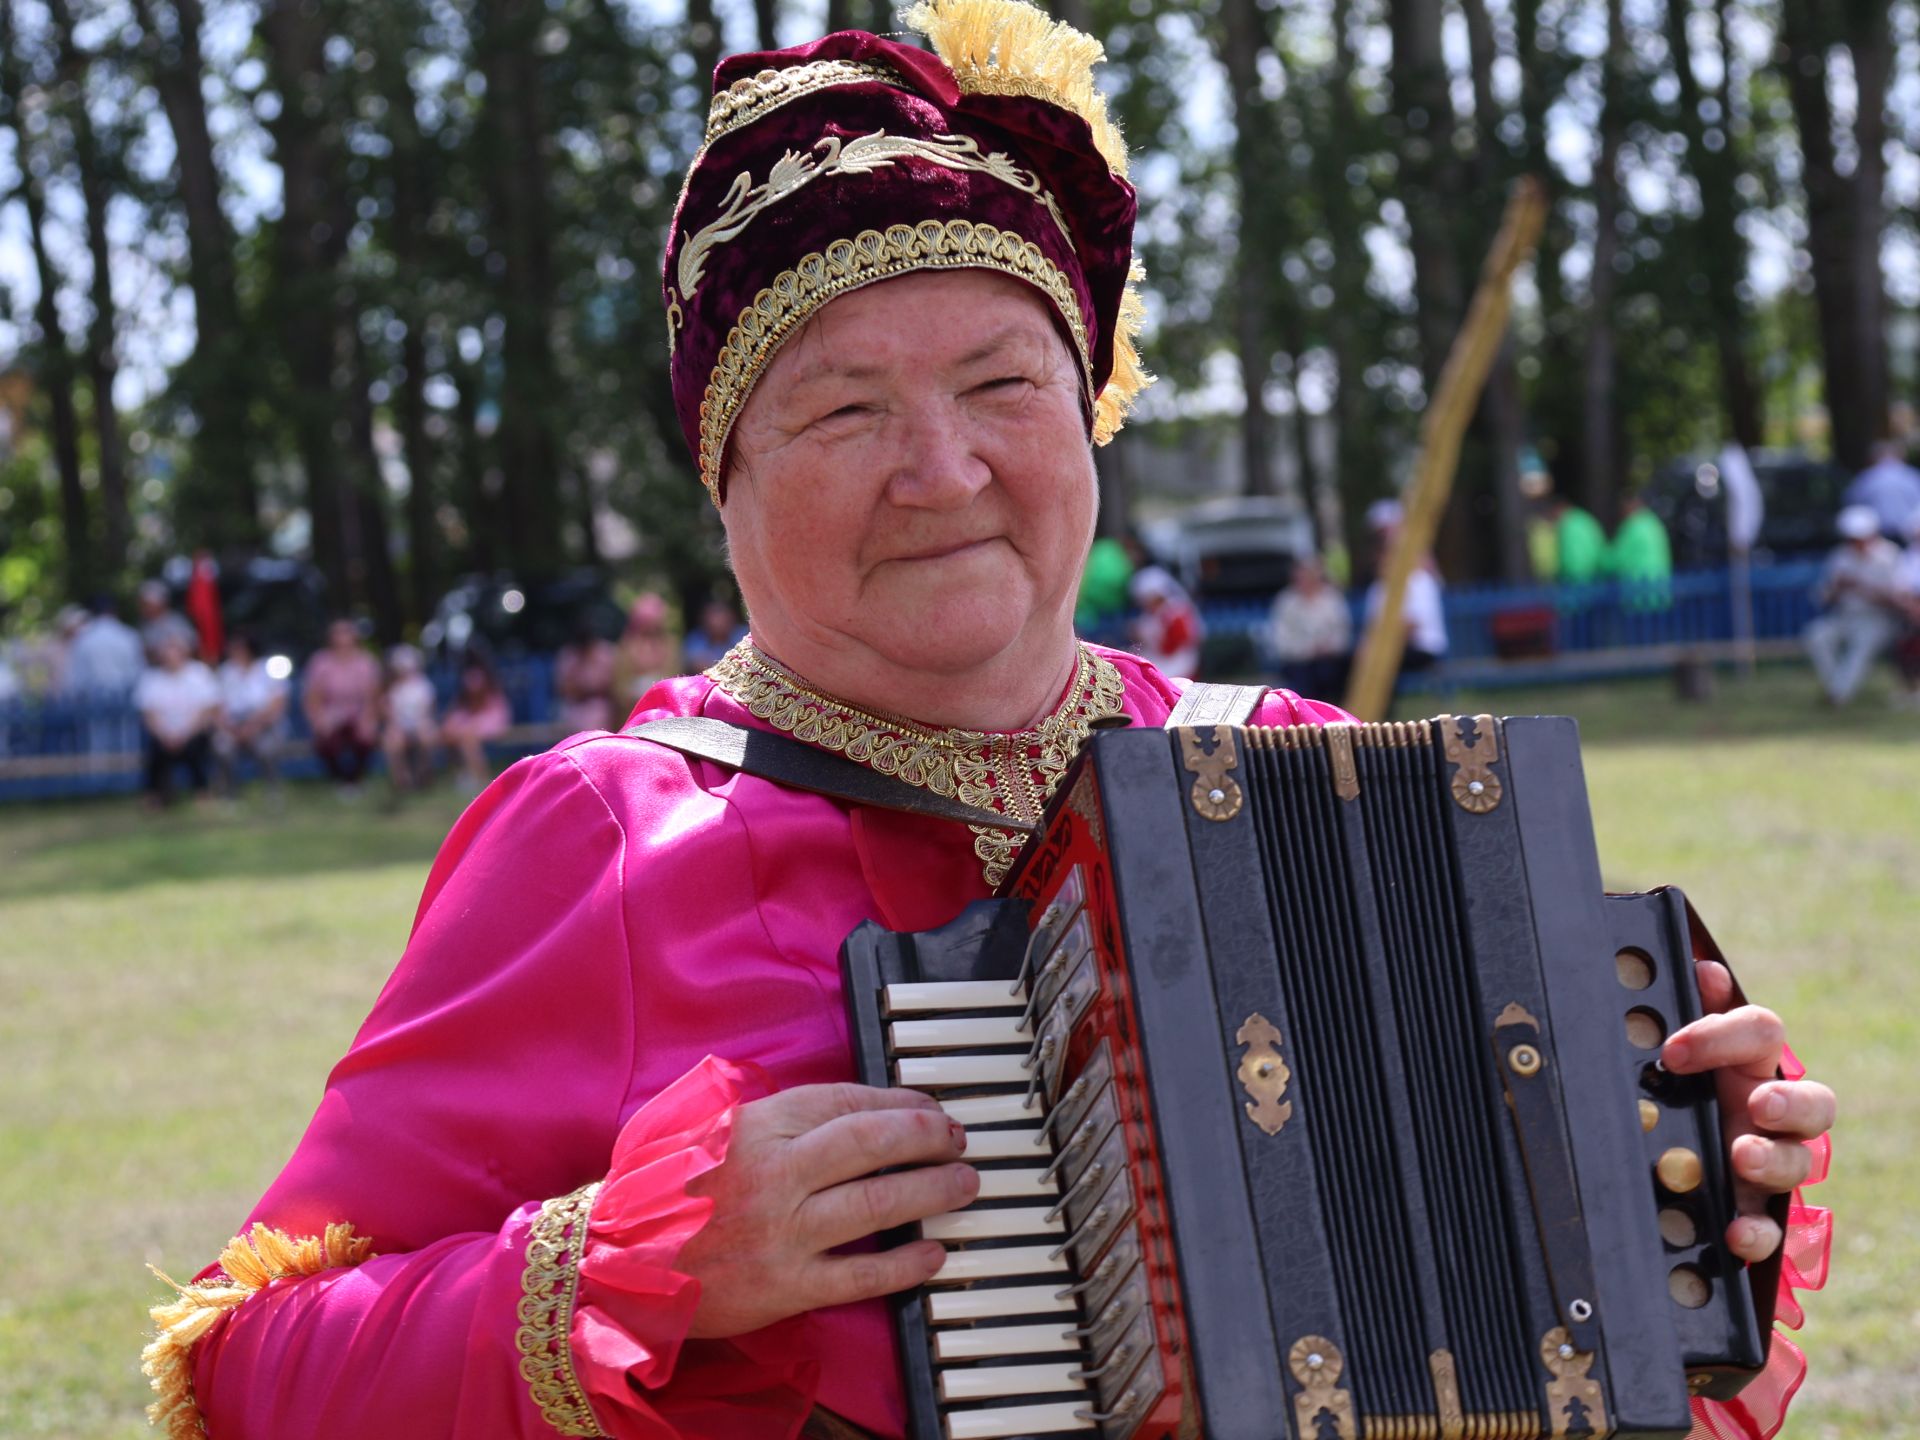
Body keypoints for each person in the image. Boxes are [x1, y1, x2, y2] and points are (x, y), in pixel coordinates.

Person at [146, 9, 1833, 1440]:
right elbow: (245, 1366)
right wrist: (629, 1266)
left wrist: (1688, 1213)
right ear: (723, 484)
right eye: (844, 407)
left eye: (1003, 386)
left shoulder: (1309, 763)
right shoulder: (601, 833)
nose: (939, 470)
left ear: (1090, 416)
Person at [1804, 504, 1905, 706]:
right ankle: (1838, 687)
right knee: (1816, 636)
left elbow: (1898, 599)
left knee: (1863, 642)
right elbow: (1823, 597)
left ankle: (1838, 696)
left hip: (1879, 619)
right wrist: (1837, 589)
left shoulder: (1890, 555)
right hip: (1845, 616)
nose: (1855, 543)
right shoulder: (1840, 557)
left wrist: (1862, 588)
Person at [134, 632, 221, 807]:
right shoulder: (151, 679)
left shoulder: (199, 674)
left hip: (194, 732)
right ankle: (155, 796)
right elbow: (149, 714)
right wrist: (165, 735)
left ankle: (202, 793)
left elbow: (208, 711)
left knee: (197, 748)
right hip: (164, 735)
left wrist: (185, 734)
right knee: (155, 751)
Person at [301, 619, 382, 792]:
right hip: (331, 713)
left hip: (358, 713)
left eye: (346, 632)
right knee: (327, 740)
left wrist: (368, 719)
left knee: (364, 738)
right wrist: (319, 719)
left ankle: (356, 779)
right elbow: (313, 697)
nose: (342, 637)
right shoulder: (320, 662)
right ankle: (339, 780)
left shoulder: (365, 662)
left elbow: (372, 697)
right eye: (338, 633)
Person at [213, 632, 289, 799]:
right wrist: (232, 728)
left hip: (264, 725)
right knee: (222, 747)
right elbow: (218, 707)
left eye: (239, 648)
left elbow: (277, 704)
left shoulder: (268, 668)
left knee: (267, 748)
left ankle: (273, 790)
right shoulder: (225, 672)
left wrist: (254, 725)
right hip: (233, 725)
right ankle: (229, 792)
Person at [1266, 555, 1351, 699]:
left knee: (1332, 672)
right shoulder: (1285, 602)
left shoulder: (1332, 598)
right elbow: (1281, 641)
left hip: (1330, 659)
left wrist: (1329, 647)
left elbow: (1342, 631)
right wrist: (1308, 650)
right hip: (1298, 663)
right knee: (1306, 677)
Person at [438, 652, 512, 793]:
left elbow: (496, 720)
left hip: (491, 722)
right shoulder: (462, 704)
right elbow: (448, 726)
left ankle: (482, 780)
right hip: (470, 726)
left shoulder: (493, 699)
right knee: (460, 735)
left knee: (468, 738)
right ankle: (466, 774)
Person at [379, 645, 440, 793]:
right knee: (393, 741)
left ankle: (423, 775)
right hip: (399, 726)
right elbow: (389, 714)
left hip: (420, 724)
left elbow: (427, 712)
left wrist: (421, 724)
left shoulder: (424, 685)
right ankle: (402, 780)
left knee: (426, 736)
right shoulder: (391, 688)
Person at [1127, 564, 1203, 679]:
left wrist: (1146, 636)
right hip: (1159, 659)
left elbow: (1169, 649)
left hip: (1177, 664)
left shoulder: (1176, 612)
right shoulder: (1151, 613)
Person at [64, 594, 144, 696]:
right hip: (125, 694)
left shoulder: (84, 638)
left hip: (94, 697)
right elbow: (137, 671)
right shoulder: (129, 635)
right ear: (115, 611)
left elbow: (77, 677)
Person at [1842, 438, 1920, 539]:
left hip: (1877, 534)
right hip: (1909, 533)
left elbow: (1851, 502)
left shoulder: (1866, 477)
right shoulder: (1912, 476)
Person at [612, 592, 677, 712]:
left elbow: (674, 677)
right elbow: (620, 686)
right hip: (632, 709)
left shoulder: (670, 644)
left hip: (663, 707)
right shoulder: (626, 645)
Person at [555, 622, 619, 734]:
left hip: (600, 705)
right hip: (575, 707)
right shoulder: (568, 654)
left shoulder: (605, 651)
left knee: (600, 713)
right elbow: (565, 689)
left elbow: (613, 685)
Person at [137, 579, 198, 663]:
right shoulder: (144, 626)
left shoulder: (177, 623)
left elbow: (191, 648)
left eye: (147, 604)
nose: (144, 608)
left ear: (161, 603)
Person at [680, 598, 746, 674]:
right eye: (714, 615)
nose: (718, 621)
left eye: (721, 615)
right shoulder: (695, 639)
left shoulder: (743, 635)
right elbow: (698, 666)